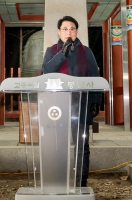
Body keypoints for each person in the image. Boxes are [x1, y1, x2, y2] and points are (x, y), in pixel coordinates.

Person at [41, 15, 102, 188]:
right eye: (65, 29)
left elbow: (94, 76)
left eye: (72, 29)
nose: (69, 32)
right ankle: (56, 181)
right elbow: (46, 70)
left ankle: (80, 182)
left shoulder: (86, 51)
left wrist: (95, 100)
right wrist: (63, 54)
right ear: (59, 32)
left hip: (80, 104)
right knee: (57, 144)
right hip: (57, 104)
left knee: (82, 144)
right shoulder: (52, 51)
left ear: (76, 31)